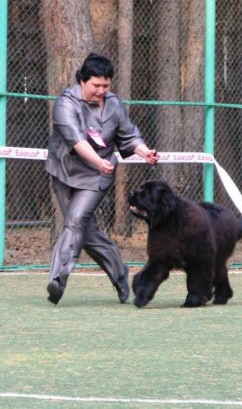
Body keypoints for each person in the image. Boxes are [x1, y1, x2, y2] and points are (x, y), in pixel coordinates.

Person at [44, 53, 160, 305]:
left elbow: (128, 135)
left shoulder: (114, 104)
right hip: (65, 172)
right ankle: (119, 273)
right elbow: (77, 140)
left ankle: (58, 279)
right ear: (83, 81)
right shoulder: (66, 104)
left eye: (106, 86)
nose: (101, 91)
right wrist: (98, 160)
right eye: (96, 85)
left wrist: (144, 151)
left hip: (98, 176)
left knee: (75, 221)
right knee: (86, 232)